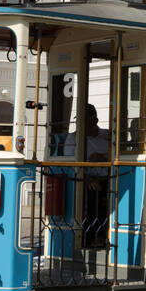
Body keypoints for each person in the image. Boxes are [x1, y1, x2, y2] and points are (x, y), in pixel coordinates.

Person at [62, 104, 111, 247]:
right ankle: (90, 237)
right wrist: (87, 178)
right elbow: (71, 164)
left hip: (109, 178)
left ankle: (104, 234)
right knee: (93, 195)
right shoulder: (73, 139)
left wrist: (100, 156)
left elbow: (117, 154)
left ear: (95, 121)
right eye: (79, 121)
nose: (81, 125)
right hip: (86, 179)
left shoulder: (107, 135)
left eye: (85, 121)